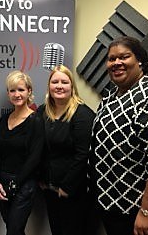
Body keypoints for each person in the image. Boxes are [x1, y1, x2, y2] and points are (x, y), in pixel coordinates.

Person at [90, 36, 148, 235]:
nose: (116, 63)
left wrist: (147, 211)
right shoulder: (112, 95)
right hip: (113, 204)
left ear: (140, 60)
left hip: (140, 212)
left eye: (124, 57)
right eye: (111, 59)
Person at [37, 64, 95, 235]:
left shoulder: (82, 115)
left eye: (64, 82)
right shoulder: (43, 111)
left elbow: (83, 155)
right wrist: (41, 177)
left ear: (72, 86)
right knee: (57, 230)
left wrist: (67, 187)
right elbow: (39, 148)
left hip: (73, 191)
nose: (59, 86)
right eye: (55, 82)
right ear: (49, 86)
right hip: (50, 188)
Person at [0, 70, 43, 235]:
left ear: (29, 92)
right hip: (3, 183)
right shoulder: (5, 119)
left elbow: (35, 158)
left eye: (21, 89)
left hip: (24, 184)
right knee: (14, 229)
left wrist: (15, 185)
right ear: (8, 93)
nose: (17, 94)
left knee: (13, 230)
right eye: (12, 90)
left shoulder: (36, 121)